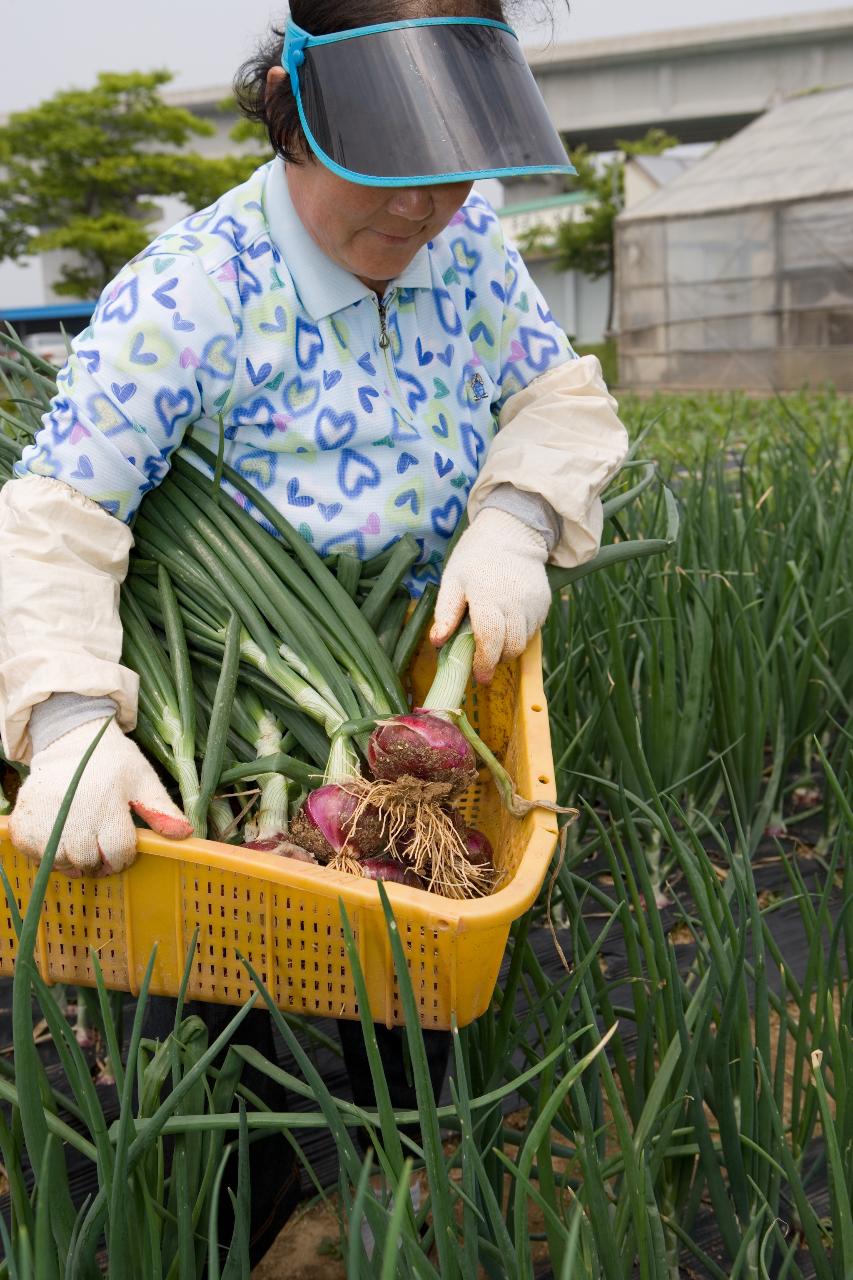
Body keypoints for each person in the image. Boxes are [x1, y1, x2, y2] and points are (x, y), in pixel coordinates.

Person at [0, 0, 629, 1265]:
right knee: (228, 1071)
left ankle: (389, 1208)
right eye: (392, 170)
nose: (426, 207)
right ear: (297, 117)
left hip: (399, 715)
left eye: (455, 167)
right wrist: (65, 720)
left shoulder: (472, 251)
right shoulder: (190, 291)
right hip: (228, 739)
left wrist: (512, 515)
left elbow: (554, 392)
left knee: (411, 1040)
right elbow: (56, 520)